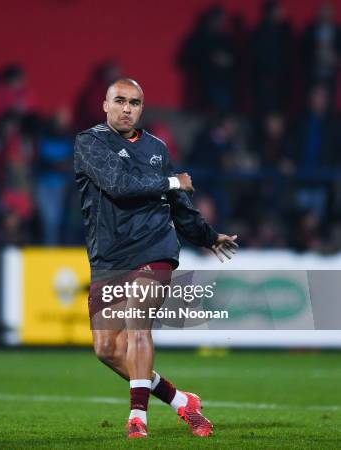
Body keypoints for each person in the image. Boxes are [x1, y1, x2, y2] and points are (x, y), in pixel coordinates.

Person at [74, 78, 238, 438]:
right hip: (109, 256)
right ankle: (181, 400)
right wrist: (173, 182)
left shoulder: (156, 148)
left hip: (154, 248)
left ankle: (137, 419)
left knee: (137, 323)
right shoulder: (90, 142)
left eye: (134, 102)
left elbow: (178, 205)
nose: (127, 108)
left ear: (141, 109)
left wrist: (206, 236)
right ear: (105, 105)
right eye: (120, 101)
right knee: (105, 348)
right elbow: (118, 184)